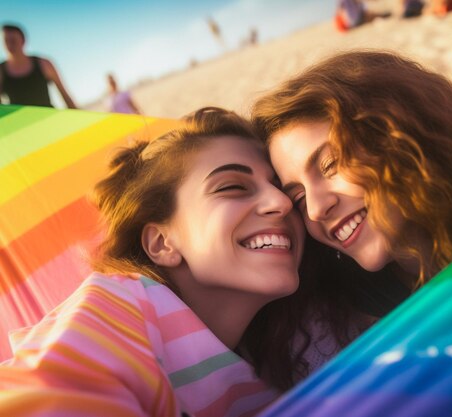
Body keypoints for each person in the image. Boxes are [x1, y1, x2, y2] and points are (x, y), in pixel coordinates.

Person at [0, 107, 306, 416]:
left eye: (282, 186)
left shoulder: (280, 350)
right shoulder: (114, 305)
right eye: (233, 187)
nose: (281, 203)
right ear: (162, 243)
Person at [252, 50, 452, 291]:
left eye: (331, 164)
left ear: (401, 135)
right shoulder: (355, 321)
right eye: (298, 197)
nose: (317, 208)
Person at [0, 23, 76, 108]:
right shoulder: (1, 71)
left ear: (23, 41)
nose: (10, 45)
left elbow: (65, 95)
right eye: (6, 41)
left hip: (49, 118)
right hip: (22, 121)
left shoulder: (44, 64)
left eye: (13, 41)